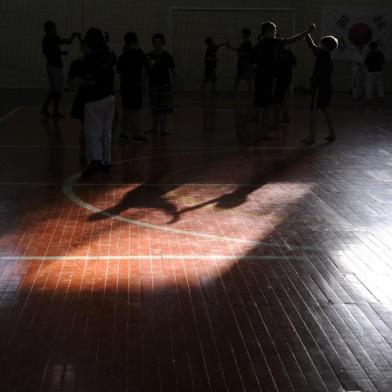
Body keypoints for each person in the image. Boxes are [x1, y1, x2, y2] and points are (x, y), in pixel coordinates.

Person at [253, 21, 316, 140]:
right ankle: (264, 133)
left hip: (259, 76)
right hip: (268, 77)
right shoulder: (273, 41)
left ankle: (263, 130)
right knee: (268, 106)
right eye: (274, 30)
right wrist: (307, 32)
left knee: (263, 105)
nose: (275, 32)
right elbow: (291, 40)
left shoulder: (259, 44)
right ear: (269, 30)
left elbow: (253, 60)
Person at [76, 28, 116, 177]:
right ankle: (107, 162)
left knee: (92, 132)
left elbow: (81, 81)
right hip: (110, 98)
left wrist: (88, 82)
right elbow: (112, 63)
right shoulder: (109, 54)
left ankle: (96, 161)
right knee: (107, 133)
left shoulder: (89, 59)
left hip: (94, 99)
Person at [301, 33, 338, 145]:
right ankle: (332, 133)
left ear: (325, 46)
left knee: (313, 111)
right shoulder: (328, 55)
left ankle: (311, 137)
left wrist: (308, 37)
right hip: (326, 86)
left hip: (320, 87)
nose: (319, 46)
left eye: (321, 44)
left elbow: (314, 48)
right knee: (326, 109)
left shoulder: (324, 54)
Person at [41, 21, 78, 118]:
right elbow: (68, 42)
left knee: (53, 90)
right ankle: (55, 111)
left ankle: (44, 109)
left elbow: (49, 52)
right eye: (54, 28)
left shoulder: (45, 39)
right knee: (58, 90)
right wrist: (74, 36)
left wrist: (60, 53)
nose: (56, 30)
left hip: (49, 65)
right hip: (56, 66)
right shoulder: (53, 37)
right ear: (50, 29)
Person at [117, 32, 148, 144]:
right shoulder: (139, 53)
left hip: (125, 86)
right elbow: (146, 67)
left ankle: (123, 134)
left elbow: (118, 70)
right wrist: (143, 84)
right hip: (136, 85)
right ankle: (137, 134)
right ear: (136, 41)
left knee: (126, 110)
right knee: (136, 111)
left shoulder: (123, 56)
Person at [147, 33, 176, 135]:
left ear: (163, 43)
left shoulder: (167, 56)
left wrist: (174, 84)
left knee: (164, 109)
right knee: (154, 108)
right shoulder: (149, 56)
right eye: (155, 42)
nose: (157, 44)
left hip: (164, 85)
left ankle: (163, 129)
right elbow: (145, 71)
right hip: (153, 85)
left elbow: (172, 70)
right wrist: (143, 83)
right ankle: (154, 128)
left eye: (159, 42)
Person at [272, 46, 297, 127]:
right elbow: (294, 63)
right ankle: (286, 117)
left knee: (276, 98)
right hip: (287, 76)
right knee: (280, 96)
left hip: (279, 77)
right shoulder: (288, 51)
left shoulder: (275, 52)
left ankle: (276, 122)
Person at [226, 28, 254, 95]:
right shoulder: (243, 43)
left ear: (247, 35)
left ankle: (250, 93)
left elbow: (250, 53)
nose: (242, 35)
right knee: (238, 79)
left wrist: (242, 54)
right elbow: (238, 50)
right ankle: (234, 92)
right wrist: (230, 47)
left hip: (245, 64)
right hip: (240, 63)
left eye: (243, 33)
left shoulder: (248, 43)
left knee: (247, 79)